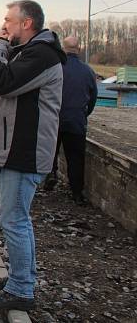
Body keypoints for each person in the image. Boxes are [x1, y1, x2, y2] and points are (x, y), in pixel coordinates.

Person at [0, 0, 66, 312]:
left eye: (9, 21)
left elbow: (4, 83)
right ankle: (19, 278)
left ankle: (21, 289)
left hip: (24, 151)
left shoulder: (41, 55)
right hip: (17, 149)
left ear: (26, 23)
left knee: (14, 219)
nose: (5, 26)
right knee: (17, 218)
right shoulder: (32, 53)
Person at [43, 36, 97, 203]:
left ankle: (50, 174)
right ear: (78, 49)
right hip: (76, 120)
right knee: (75, 157)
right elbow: (93, 97)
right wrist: (83, 114)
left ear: (63, 49)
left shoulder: (56, 67)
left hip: (54, 117)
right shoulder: (88, 71)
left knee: (50, 150)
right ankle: (77, 193)